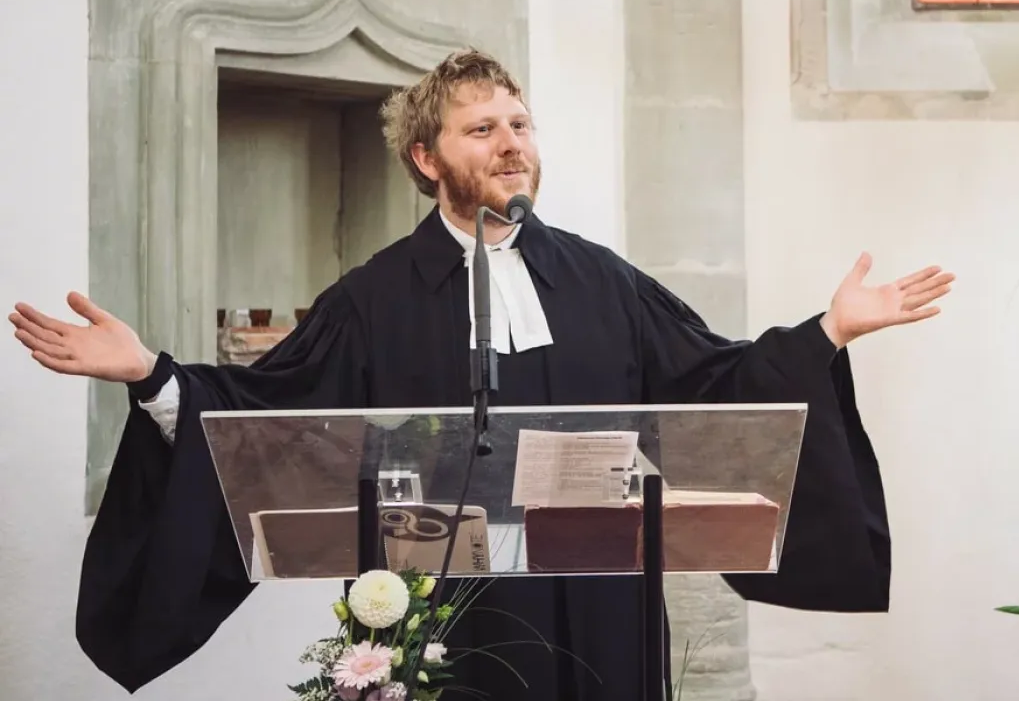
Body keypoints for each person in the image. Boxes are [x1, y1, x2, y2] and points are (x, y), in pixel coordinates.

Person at [10, 49, 954, 700]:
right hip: (452, 603)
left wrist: (825, 332)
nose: (511, 143)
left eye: (520, 123)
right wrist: (152, 374)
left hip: (605, 597)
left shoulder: (601, 278)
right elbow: (270, 414)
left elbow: (710, 381)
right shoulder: (374, 297)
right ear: (428, 159)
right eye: (481, 130)